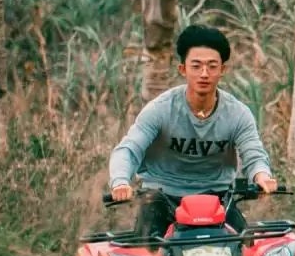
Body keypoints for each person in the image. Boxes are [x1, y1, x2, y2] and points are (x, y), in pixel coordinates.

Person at [108, 24, 278, 238]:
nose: (204, 74)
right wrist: (121, 181)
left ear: (222, 70)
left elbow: (254, 154)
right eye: (196, 66)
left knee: (246, 248)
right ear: (183, 69)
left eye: (212, 66)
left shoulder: (238, 114)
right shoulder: (160, 109)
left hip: (217, 198)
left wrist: (262, 177)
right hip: (161, 196)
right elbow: (129, 149)